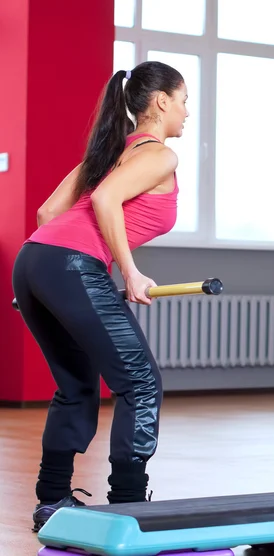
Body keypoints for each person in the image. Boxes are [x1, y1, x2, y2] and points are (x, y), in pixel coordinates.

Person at [12, 60, 188, 532]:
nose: (187, 113)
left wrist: (46, 284)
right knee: (142, 382)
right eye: (185, 101)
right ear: (162, 101)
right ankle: (128, 505)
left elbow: (49, 212)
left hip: (33, 261)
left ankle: (52, 501)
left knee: (77, 387)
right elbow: (107, 201)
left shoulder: (109, 150)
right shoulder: (158, 155)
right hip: (69, 265)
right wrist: (129, 271)